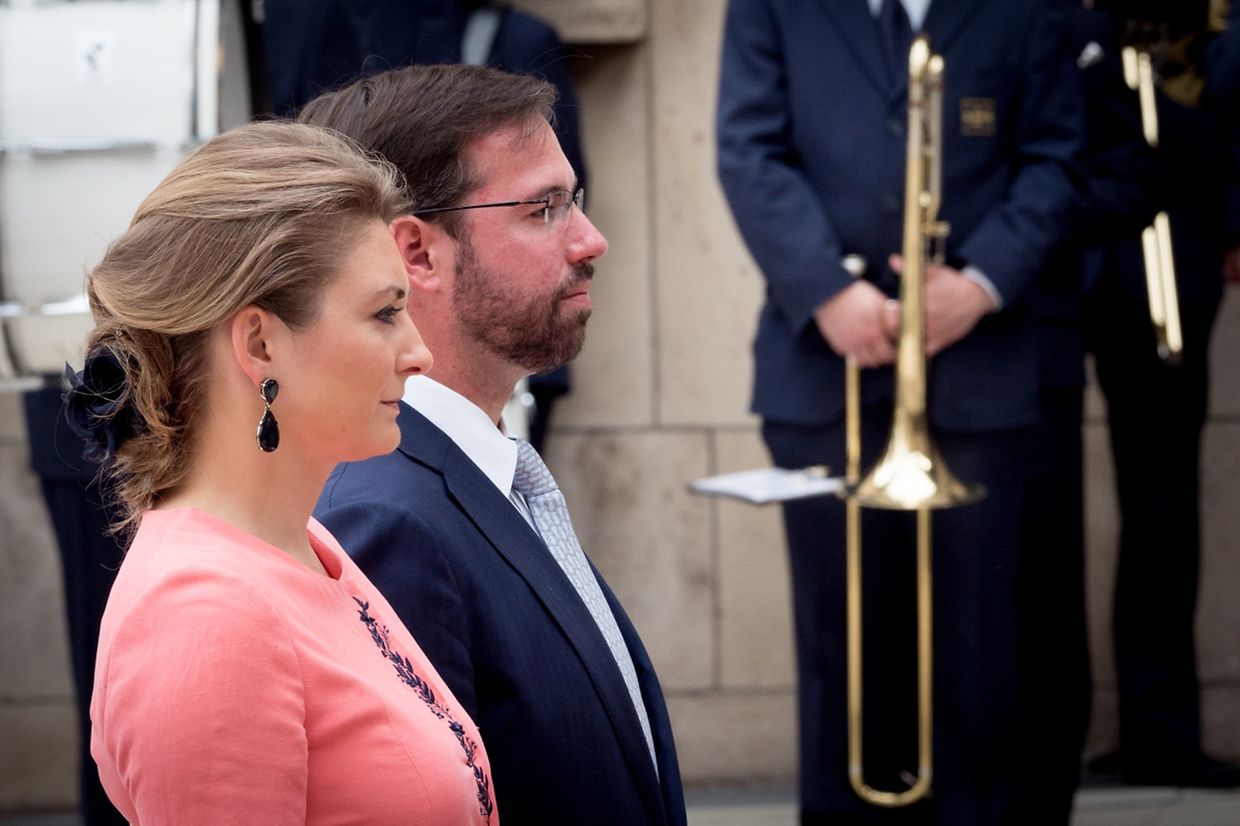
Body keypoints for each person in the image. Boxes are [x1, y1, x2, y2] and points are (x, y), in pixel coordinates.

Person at [716, 0, 1082, 822]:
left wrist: (982, 284)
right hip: (823, 364)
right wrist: (828, 291)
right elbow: (748, 150)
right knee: (840, 641)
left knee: (980, 644)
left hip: (979, 363)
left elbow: (1057, 157)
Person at [71, 120, 497, 823]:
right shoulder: (204, 616)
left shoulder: (304, 547)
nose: (419, 352)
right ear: (260, 342)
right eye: (385, 314)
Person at [305, 64, 687, 826]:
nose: (591, 239)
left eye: (573, 200)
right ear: (416, 255)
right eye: (544, 208)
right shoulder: (389, 520)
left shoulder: (475, 471)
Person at [1083, 0, 1240, 788]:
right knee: (1018, 510)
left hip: (1173, 236)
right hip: (1027, 233)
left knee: (1162, 499)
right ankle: (1023, 728)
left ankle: (1158, 729)